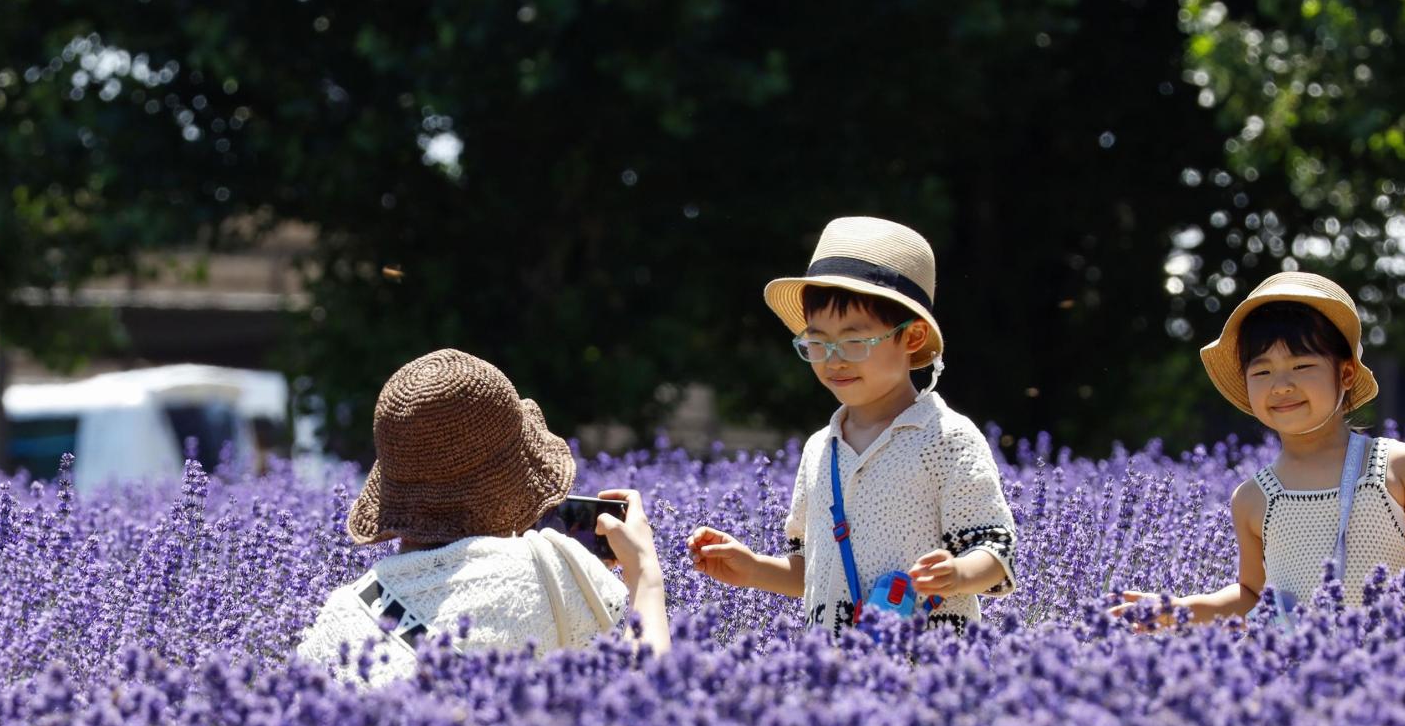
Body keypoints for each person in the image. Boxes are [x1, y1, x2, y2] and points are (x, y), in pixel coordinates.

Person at [685, 216, 1016, 634]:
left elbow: (995, 549)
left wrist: (960, 573)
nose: (834, 359)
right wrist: (752, 568)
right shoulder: (819, 448)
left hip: (925, 662)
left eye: (855, 342)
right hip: (830, 666)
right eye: (817, 342)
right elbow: (813, 570)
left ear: (912, 338)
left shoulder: (947, 439)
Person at [1111, 271, 1405, 627]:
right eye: (1262, 372)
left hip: (1390, 655)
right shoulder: (1253, 498)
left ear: (1346, 374)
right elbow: (1252, 595)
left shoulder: (1394, 464)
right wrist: (1181, 609)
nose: (1281, 385)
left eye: (1301, 365)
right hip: (1296, 662)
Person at [296, 348, 669, 684]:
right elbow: (645, 703)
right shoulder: (547, 573)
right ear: (510, 485)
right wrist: (644, 574)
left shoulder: (340, 615)